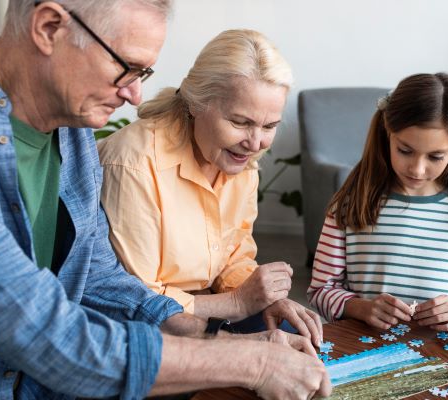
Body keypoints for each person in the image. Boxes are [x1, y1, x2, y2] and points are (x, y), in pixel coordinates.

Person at [0, 1, 330, 399]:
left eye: (142, 73)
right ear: (48, 28)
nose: (136, 95)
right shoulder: (122, 149)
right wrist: (250, 361)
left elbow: (103, 281)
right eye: (126, 66)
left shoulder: (73, 131)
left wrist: (222, 338)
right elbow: (49, 335)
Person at [97, 29, 323, 343]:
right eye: (240, 122)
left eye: (269, 126)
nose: (255, 142)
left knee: (296, 335)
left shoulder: (241, 159)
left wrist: (270, 298)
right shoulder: (133, 161)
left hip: (210, 308)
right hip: (142, 329)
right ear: (195, 104)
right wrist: (238, 303)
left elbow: (233, 258)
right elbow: (137, 303)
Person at [307, 73, 448, 332]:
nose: (417, 169)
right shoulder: (348, 205)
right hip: (367, 355)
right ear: (387, 132)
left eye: (435, 156)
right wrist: (362, 308)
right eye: (405, 150)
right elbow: (321, 290)